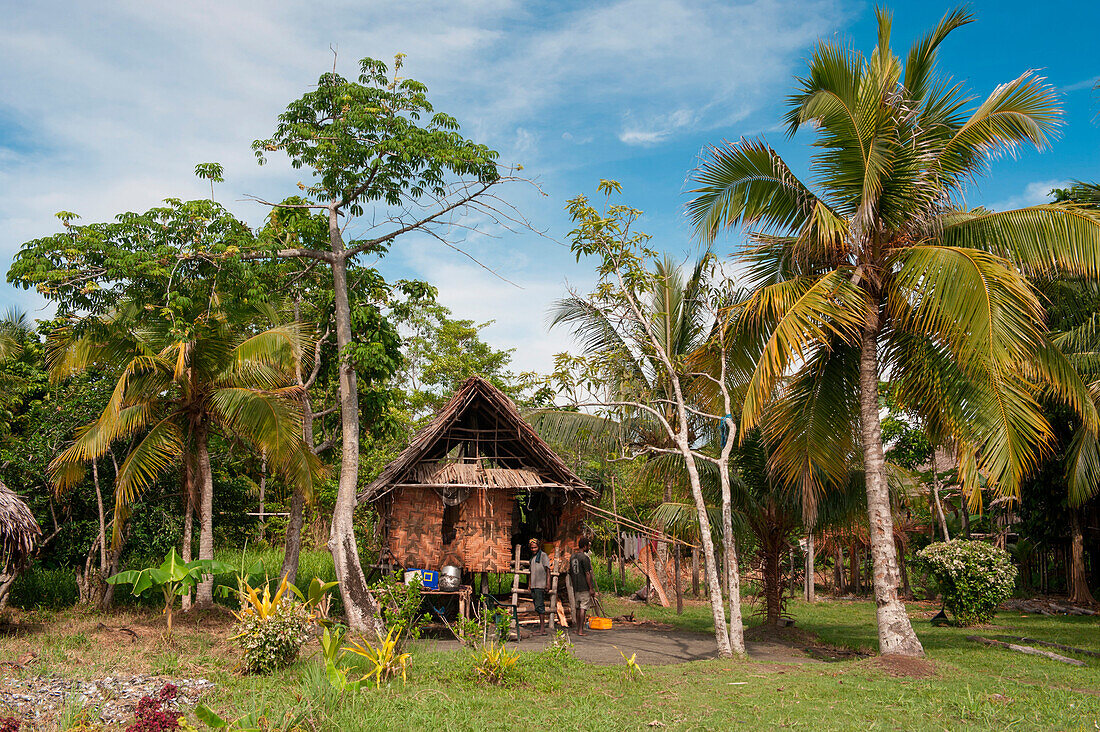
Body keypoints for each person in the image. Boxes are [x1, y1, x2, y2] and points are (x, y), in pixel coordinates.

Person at [569, 536, 597, 636]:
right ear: (584, 546)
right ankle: (580, 630)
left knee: (578, 607)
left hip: (576, 586)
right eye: (588, 546)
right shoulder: (584, 558)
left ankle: (577, 629)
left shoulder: (572, 557)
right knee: (583, 608)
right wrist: (591, 588)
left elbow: (571, 573)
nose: (589, 548)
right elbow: (587, 574)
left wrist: (573, 585)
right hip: (584, 586)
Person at [528, 537, 552, 635]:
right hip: (534, 585)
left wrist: (548, 583)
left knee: (540, 606)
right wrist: (529, 584)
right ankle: (541, 628)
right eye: (532, 548)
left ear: (538, 547)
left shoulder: (543, 556)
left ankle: (542, 629)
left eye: (535, 547)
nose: (533, 549)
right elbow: (530, 572)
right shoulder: (532, 558)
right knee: (537, 607)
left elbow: (548, 570)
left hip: (540, 585)